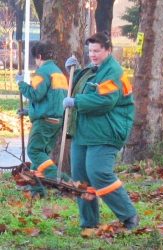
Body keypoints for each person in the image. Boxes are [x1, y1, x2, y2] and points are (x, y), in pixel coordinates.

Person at [63, 32, 138, 233]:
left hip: (107, 130)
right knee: (80, 178)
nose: (92, 55)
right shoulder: (93, 68)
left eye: (97, 51)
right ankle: (89, 222)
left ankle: (128, 215)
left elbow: (105, 101)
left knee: (99, 172)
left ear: (108, 50)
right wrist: (74, 71)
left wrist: (76, 102)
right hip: (84, 130)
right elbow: (81, 87)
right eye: (90, 51)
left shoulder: (113, 71)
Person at [15, 41, 69, 197]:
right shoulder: (58, 72)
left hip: (44, 121)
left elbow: (35, 94)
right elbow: (51, 99)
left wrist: (21, 84)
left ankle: (62, 181)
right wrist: (29, 111)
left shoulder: (42, 72)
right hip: (56, 121)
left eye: (36, 60)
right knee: (41, 155)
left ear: (38, 57)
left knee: (34, 150)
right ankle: (37, 190)